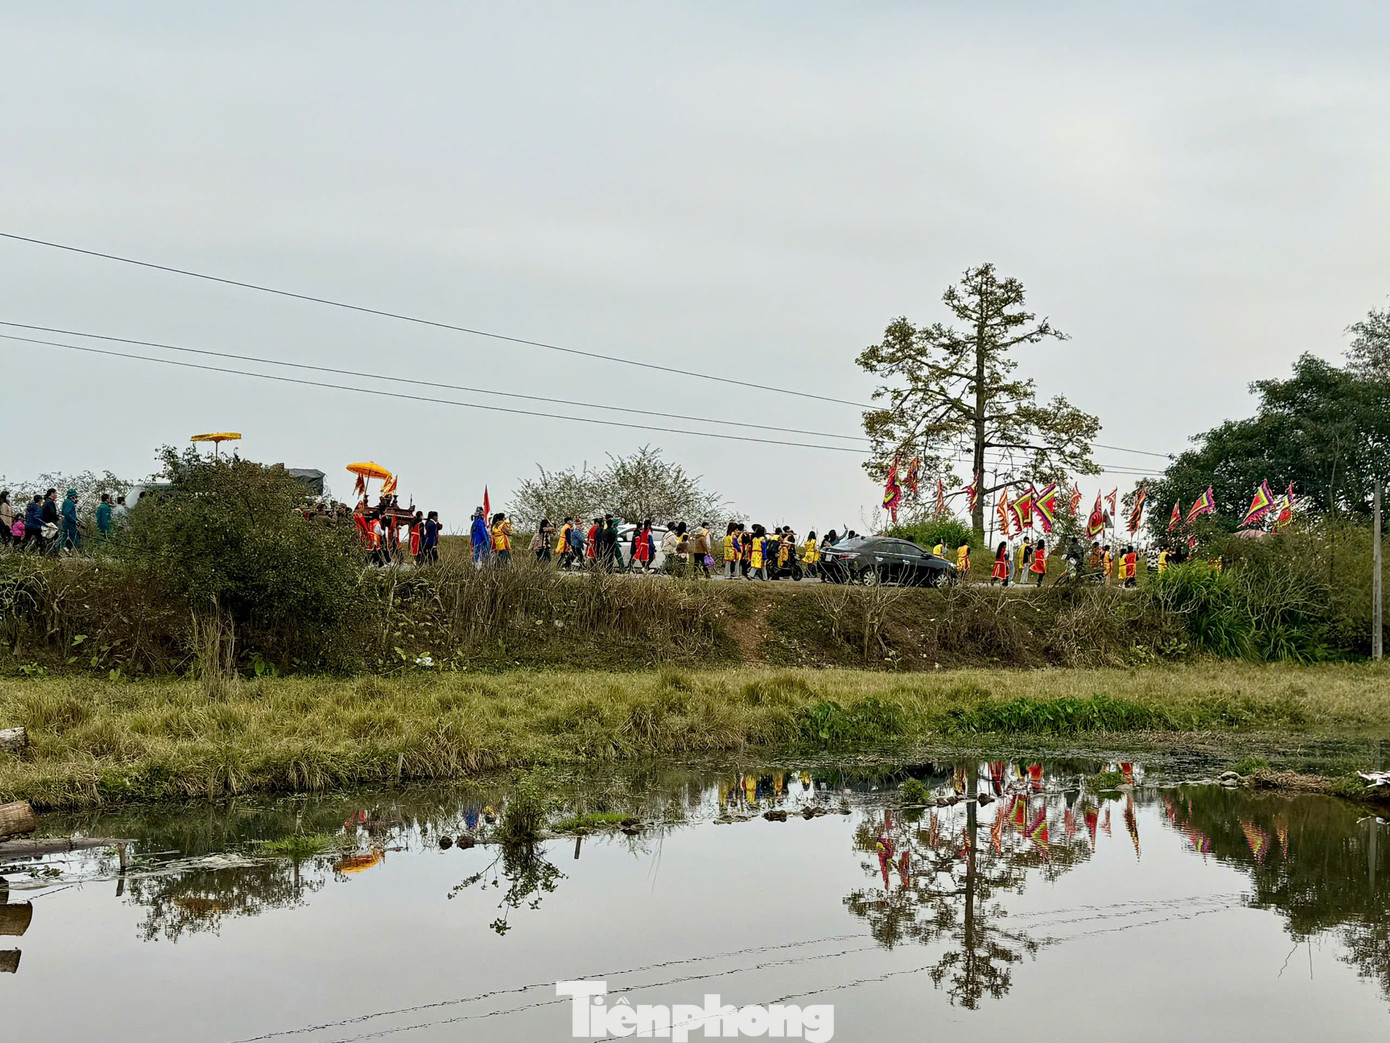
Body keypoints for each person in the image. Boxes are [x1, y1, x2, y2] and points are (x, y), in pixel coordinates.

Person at [58, 489, 80, 553]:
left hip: (68, 522)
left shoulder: (67, 502)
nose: (76, 498)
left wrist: (76, 520)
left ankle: (67, 549)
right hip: (69, 523)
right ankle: (76, 551)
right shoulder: (69, 503)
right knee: (74, 537)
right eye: (75, 496)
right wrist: (74, 521)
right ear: (72, 496)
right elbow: (67, 513)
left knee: (65, 537)